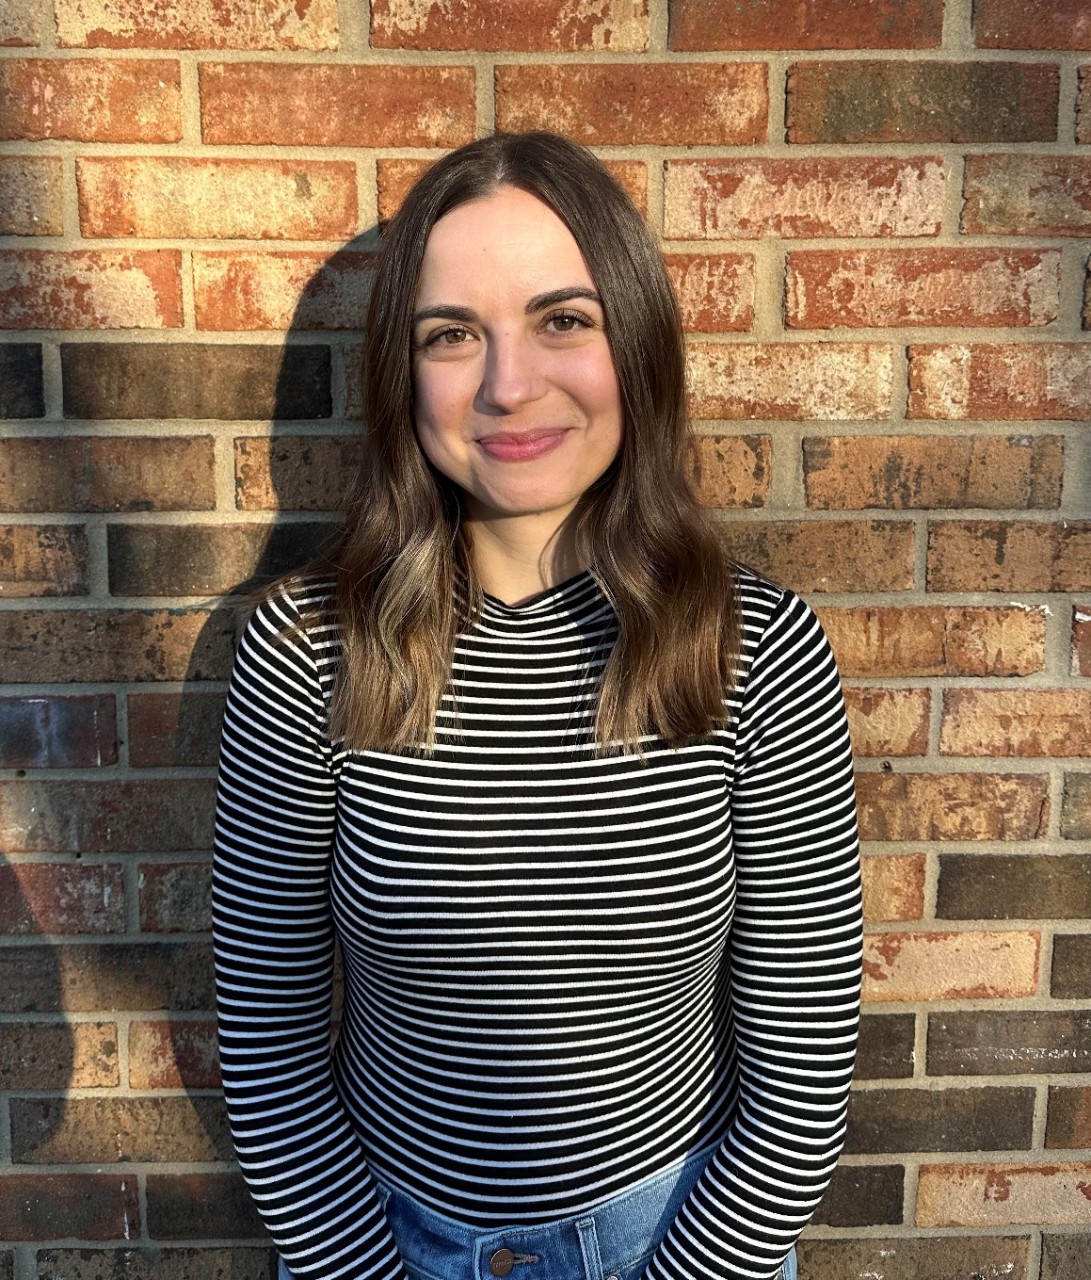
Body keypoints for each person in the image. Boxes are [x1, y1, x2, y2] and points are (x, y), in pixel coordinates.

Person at [212, 130, 863, 1280]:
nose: (508, 384)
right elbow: (266, 1038)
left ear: (636, 344)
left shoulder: (751, 648)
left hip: (677, 1236)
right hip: (386, 1238)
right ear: (401, 373)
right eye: (452, 335)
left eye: (563, 319)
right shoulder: (307, 653)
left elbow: (800, 1052)